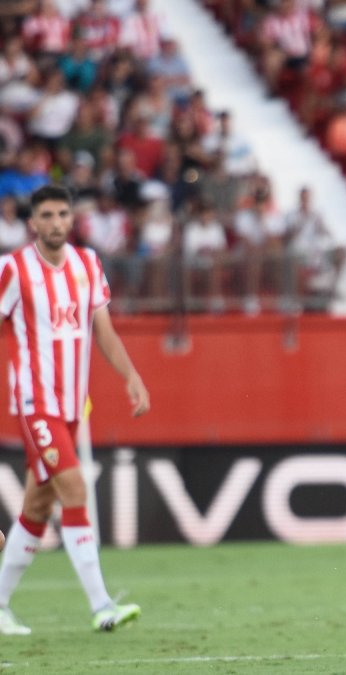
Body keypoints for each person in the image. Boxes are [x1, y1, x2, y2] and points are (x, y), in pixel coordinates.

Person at [0, 185, 149, 636]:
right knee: (74, 486)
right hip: (35, 402)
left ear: (72, 219)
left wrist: (131, 375)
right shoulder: (14, 269)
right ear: (33, 223)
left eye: (63, 214)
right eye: (47, 215)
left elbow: (103, 330)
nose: (56, 222)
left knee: (38, 505)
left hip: (70, 406)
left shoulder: (88, 264)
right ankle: (102, 606)